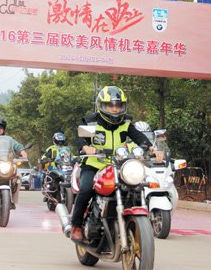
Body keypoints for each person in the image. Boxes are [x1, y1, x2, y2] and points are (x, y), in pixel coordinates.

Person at [70, 86, 163, 242]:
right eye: (110, 105)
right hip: (94, 165)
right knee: (86, 190)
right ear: (102, 106)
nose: (114, 109)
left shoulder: (126, 123)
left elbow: (138, 137)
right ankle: (76, 226)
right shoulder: (91, 121)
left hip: (119, 166)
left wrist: (152, 149)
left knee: (135, 188)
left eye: (118, 105)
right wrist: (86, 147)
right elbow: (80, 138)